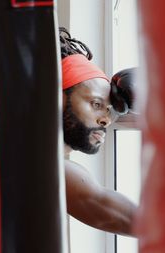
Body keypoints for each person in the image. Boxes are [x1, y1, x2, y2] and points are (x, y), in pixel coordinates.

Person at [59, 27, 137, 236]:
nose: (106, 120)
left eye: (110, 111)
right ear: (57, 95)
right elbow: (102, 207)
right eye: (96, 104)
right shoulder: (30, 154)